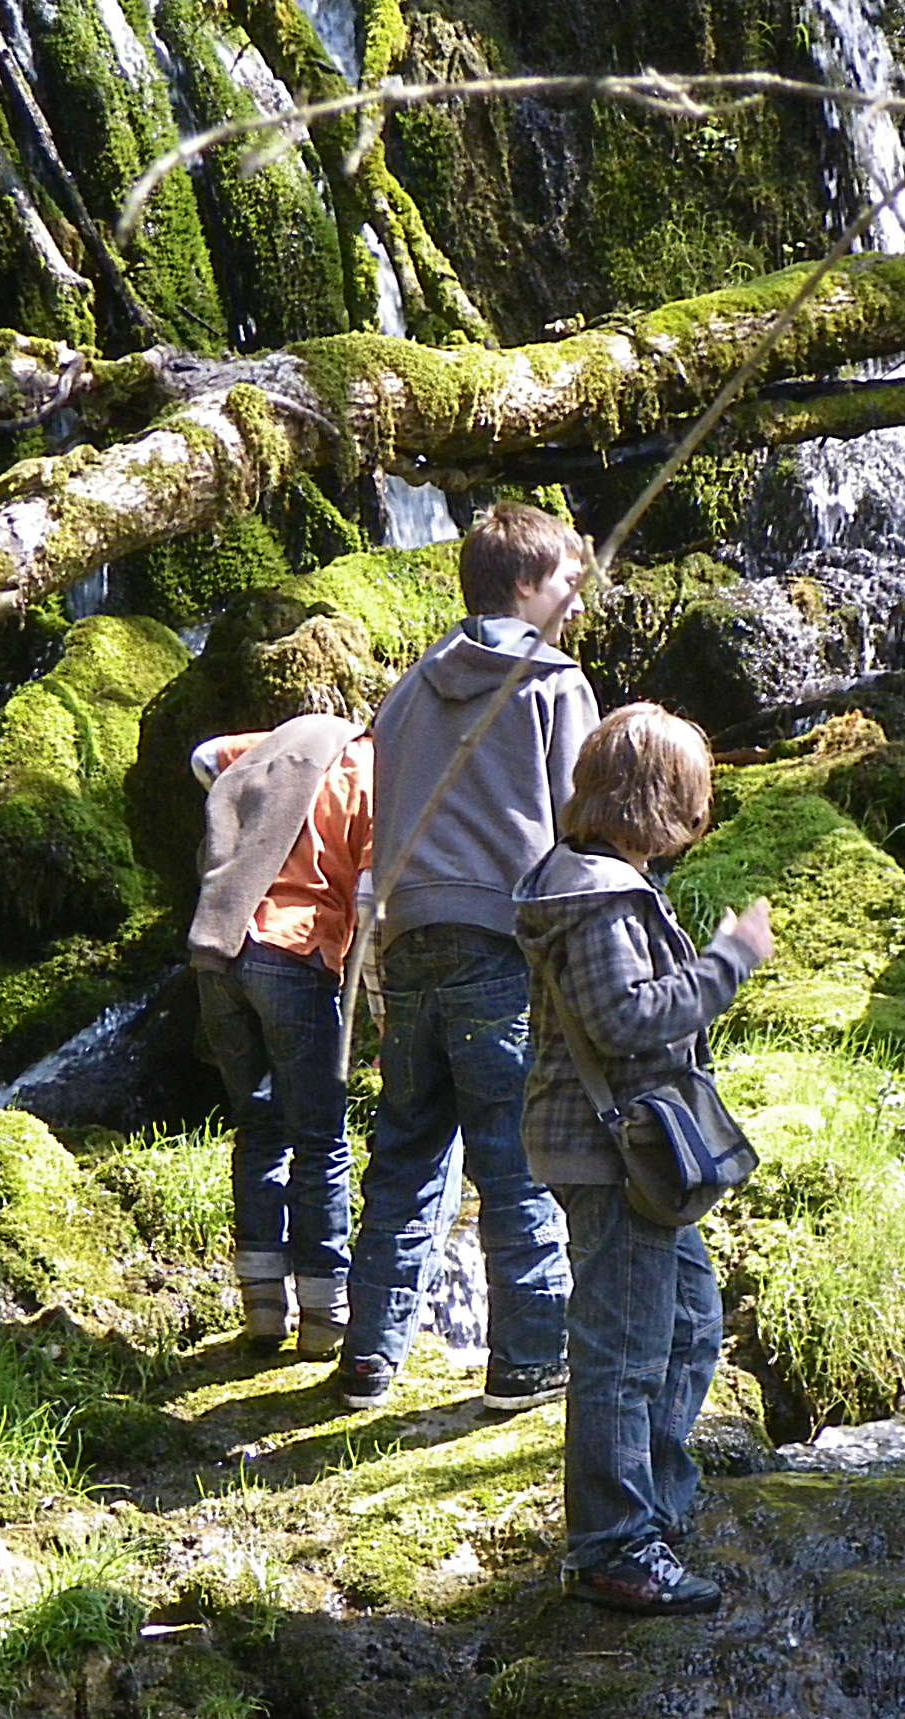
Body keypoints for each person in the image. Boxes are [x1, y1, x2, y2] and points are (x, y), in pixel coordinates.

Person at [335, 504, 601, 1412]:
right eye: (567, 575)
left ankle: (369, 1357)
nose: (577, 590)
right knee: (512, 1153)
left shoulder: (405, 692)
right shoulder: (552, 685)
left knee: (406, 1148)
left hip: (406, 946)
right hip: (499, 942)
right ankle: (528, 1360)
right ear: (525, 584)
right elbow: (583, 829)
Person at [516, 705, 772, 1615]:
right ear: (664, 799)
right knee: (622, 1354)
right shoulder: (595, 896)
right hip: (610, 1151)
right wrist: (729, 960)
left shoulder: (597, 881)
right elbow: (626, 1021)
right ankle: (615, 1545)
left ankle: (652, 1507)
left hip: (626, 1149)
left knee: (693, 1326)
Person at [188, 714, 375, 1356]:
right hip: (292, 951)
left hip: (220, 946)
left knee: (259, 1129)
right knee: (321, 1139)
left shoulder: (289, 744)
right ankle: (325, 1316)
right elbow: (377, 891)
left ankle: (263, 1309)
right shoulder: (372, 768)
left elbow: (206, 756)